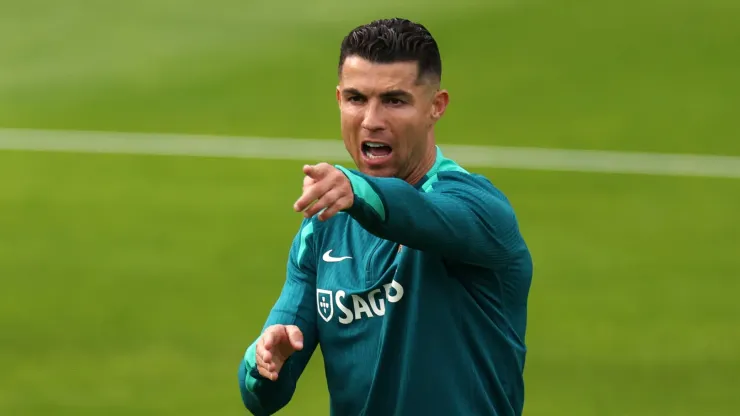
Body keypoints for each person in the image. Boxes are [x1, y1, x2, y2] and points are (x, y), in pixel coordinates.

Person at [238, 17, 533, 416]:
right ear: (339, 99)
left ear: (436, 107)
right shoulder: (324, 227)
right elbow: (261, 397)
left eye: (394, 100)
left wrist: (354, 188)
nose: (371, 120)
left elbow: (420, 214)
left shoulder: (479, 210)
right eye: (357, 98)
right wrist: (264, 362)